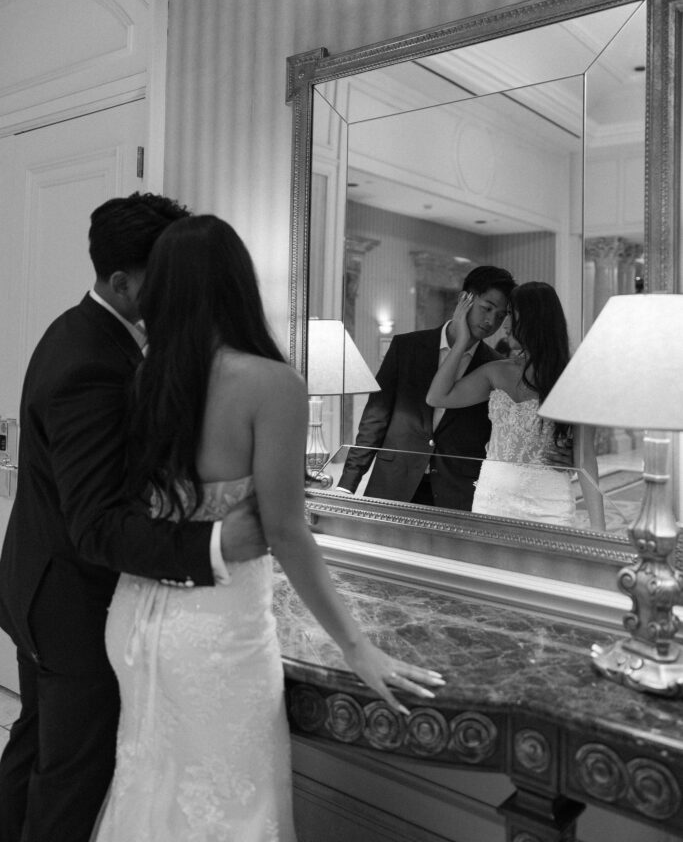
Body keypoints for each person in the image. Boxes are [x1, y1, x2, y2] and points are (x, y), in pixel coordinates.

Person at [90, 214, 445, 841]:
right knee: (229, 809)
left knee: (151, 792)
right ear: (237, 283)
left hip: (137, 619)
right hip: (216, 631)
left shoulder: (148, 377)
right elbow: (286, 532)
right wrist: (356, 647)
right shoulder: (269, 384)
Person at [0, 195, 268, 842]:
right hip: (69, 602)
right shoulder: (90, 362)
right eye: (163, 277)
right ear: (121, 283)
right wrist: (214, 542)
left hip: (38, 582)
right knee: (72, 778)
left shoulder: (89, 333)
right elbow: (95, 523)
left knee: (36, 751)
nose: (177, 292)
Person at [426, 281, 605, 529]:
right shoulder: (496, 371)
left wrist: (599, 530)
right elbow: (437, 397)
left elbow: (585, 459)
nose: (504, 325)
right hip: (491, 501)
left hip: (548, 504)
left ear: (535, 318)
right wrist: (460, 342)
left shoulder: (575, 379)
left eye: (510, 314)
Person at [336, 266, 516, 510]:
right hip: (393, 483)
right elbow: (375, 418)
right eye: (487, 308)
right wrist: (348, 482)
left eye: (501, 315)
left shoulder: (494, 366)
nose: (491, 321)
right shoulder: (406, 347)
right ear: (465, 299)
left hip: (457, 492)